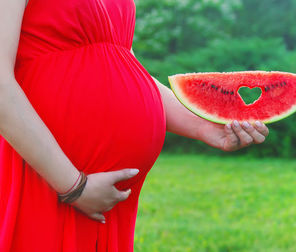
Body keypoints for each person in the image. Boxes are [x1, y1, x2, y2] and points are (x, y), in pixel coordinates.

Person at [0, 0, 269, 250]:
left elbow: (123, 64)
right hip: (48, 179)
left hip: (104, 197)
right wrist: (74, 186)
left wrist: (205, 128)